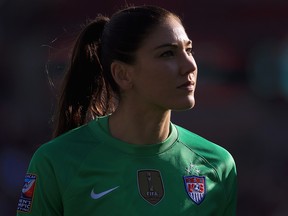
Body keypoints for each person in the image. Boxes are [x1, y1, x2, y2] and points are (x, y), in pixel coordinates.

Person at [16, 5, 237, 216]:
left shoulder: (216, 164)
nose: (190, 66)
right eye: (167, 54)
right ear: (123, 74)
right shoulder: (55, 161)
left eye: (188, 50)